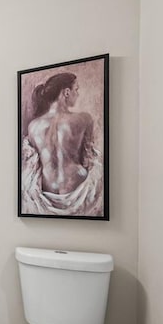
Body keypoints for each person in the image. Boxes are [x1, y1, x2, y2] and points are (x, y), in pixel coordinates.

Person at [22, 72, 103, 216]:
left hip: (45, 192)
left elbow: (34, 164)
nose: (77, 94)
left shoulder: (33, 126)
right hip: (78, 189)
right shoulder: (83, 119)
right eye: (76, 89)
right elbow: (87, 157)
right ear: (66, 92)